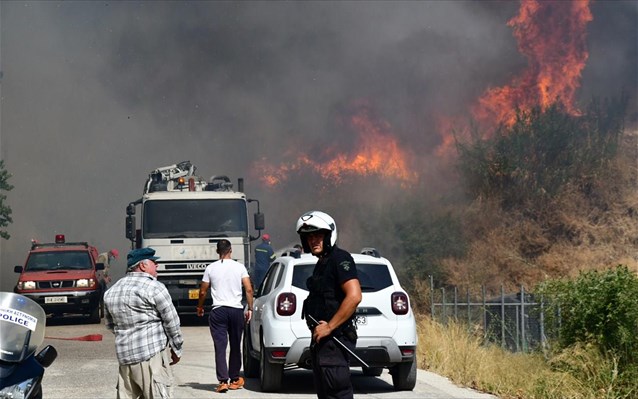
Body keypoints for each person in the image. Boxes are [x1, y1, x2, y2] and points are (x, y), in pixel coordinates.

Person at [297, 211, 362, 399]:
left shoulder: (339, 259)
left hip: (335, 341)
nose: (313, 240)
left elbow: (355, 296)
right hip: (323, 344)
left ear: (328, 236)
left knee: (337, 394)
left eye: (318, 235)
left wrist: (330, 327)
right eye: (309, 237)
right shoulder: (322, 263)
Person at [104, 247, 183, 399]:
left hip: (125, 359)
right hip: (150, 357)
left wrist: (129, 334)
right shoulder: (154, 287)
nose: (157, 265)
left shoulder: (111, 291)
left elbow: (110, 324)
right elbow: (171, 321)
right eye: (154, 262)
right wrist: (176, 347)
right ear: (143, 265)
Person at [197, 239, 254, 393]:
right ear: (231, 250)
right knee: (236, 345)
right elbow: (248, 289)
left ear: (217, 251)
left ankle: (222, 381)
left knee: (220, 347)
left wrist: (200, 306)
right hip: (236, 310)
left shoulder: (210, 268)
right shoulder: (239, 267)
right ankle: (235, 379)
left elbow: (203, 291)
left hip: (218, 311)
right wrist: (250, 308)